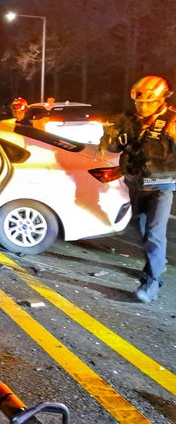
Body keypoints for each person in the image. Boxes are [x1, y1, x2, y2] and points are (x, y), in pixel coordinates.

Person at [101, 75, 176, 303]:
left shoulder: (172, 122)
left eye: (147, 103)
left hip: (162, 186)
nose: (142, 107)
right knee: (143, 233)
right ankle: (156, 265)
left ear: (161, 100)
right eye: (139, 103)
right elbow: (113, 147)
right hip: (136, 184)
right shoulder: (130, 120)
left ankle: (151, 284)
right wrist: (109, 137)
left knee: (155, 234)